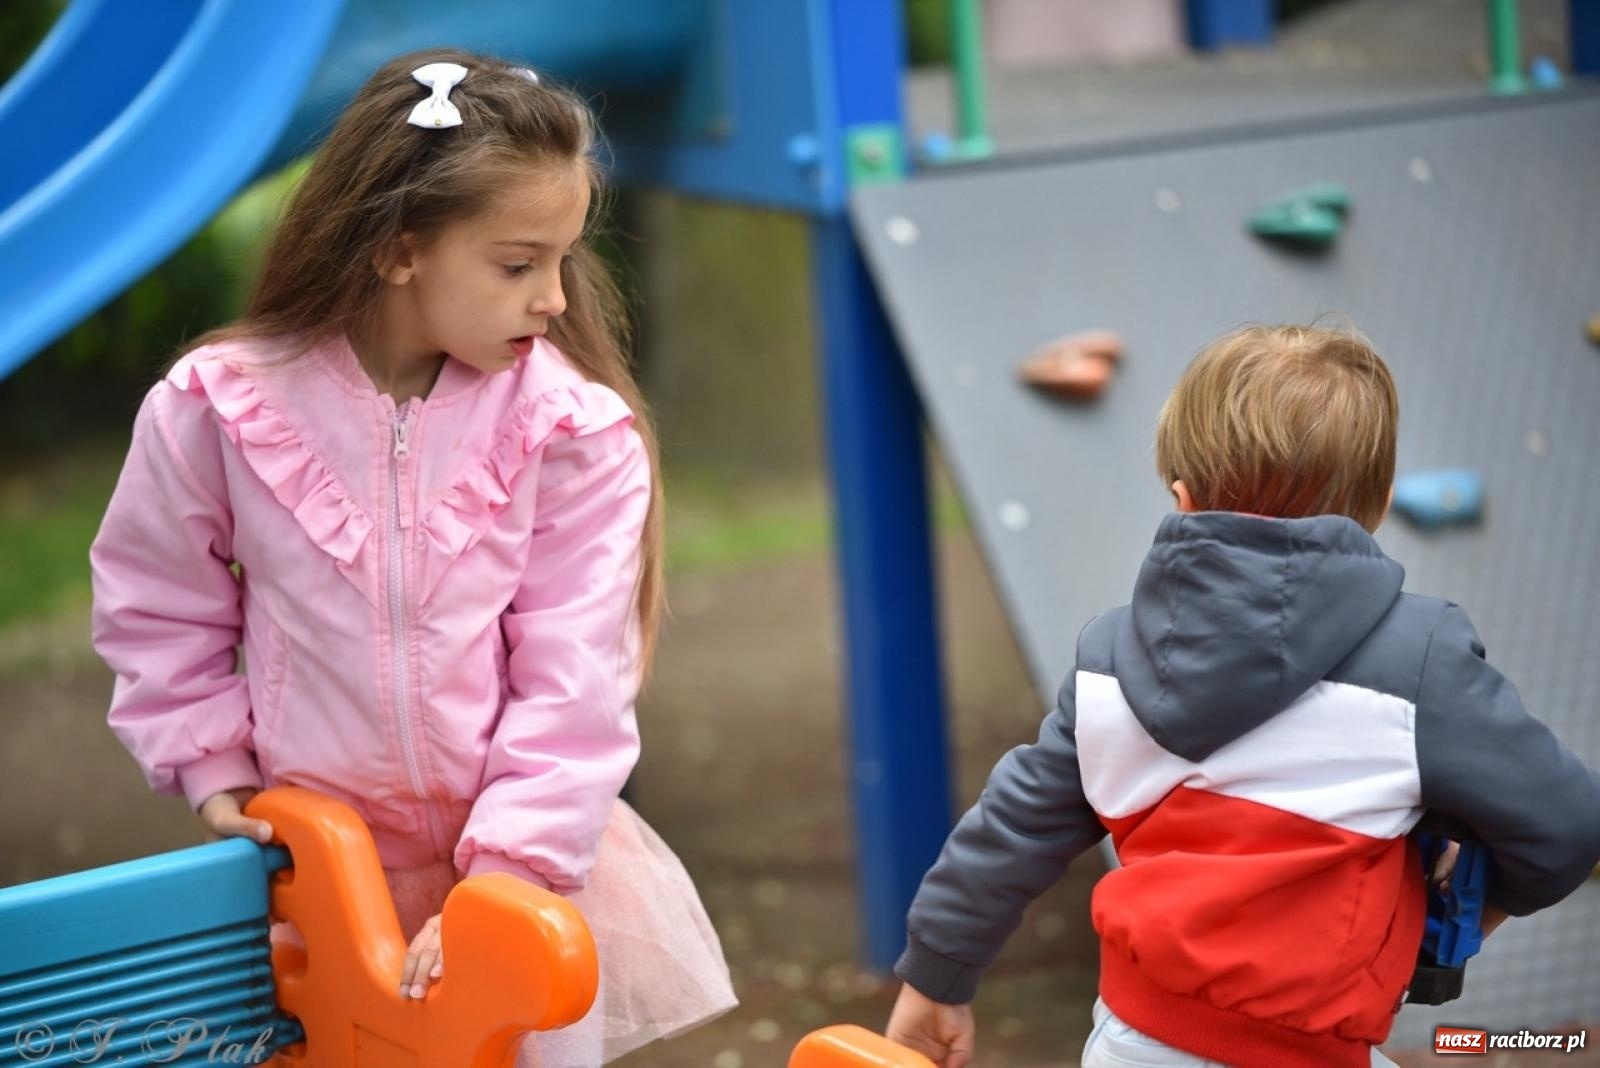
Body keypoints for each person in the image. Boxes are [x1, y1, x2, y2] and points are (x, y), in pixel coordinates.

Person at [90, 49, 736, 1066]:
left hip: (514, 874)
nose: (555, 299)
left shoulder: (569, 434)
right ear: (398, 249)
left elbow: (575, 681)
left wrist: (506, 881)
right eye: (518, 265)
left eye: (564, 261)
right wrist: (212, 765)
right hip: (315, 875)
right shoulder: (220, 407)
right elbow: (155, 601)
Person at [883, 324, 1600, 1068]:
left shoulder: (1108, 664)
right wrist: (1473, 912)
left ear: (1182, 497)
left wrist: (934, 977)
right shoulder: (1418, 665)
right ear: (1381, 505)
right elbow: (1569, 824)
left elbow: (1011, 828)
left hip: (1133, 1045)